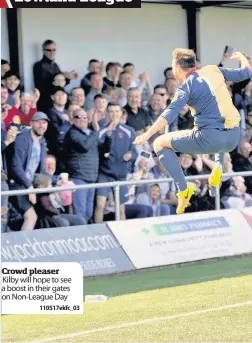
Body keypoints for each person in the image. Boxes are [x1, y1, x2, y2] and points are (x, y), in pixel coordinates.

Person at [134, 49, 252, 215]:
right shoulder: (213, 70)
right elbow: (247, 72)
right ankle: (217, 168)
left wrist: (147, 134)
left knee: (159, 143)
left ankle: (183, 189)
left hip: (211, 139)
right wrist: (242, 59)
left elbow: (167, 115)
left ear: (178, 67)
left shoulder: (186, 87)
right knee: (215, 122)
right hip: (234, 136)